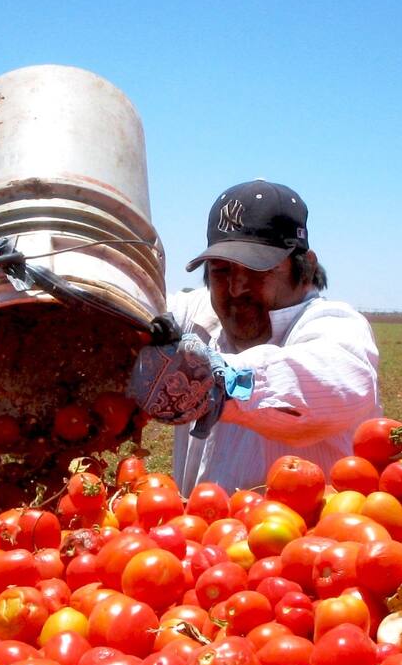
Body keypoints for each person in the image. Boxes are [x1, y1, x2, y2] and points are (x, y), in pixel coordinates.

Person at [129, 180, 382, 491]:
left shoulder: (333, 324)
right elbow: (131, 304)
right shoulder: (197, 315)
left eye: (257, 270)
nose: (237, 289)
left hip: (304, 537)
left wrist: (219, 380)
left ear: (305, 266)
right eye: (221, 271)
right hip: (197, 535)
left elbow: (337, 379)